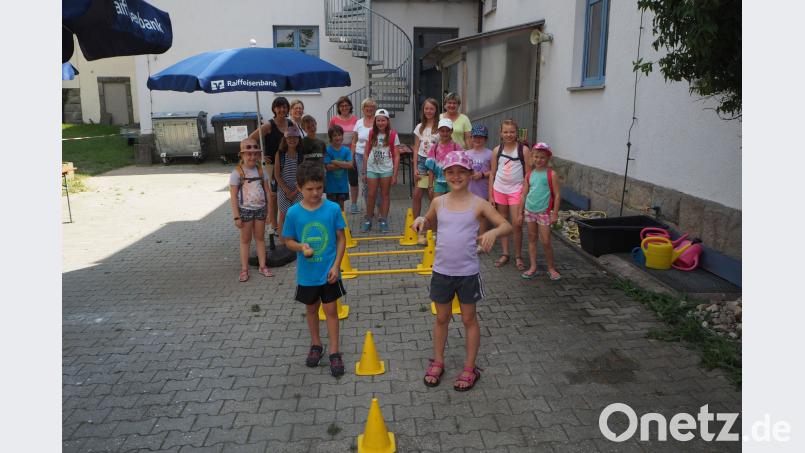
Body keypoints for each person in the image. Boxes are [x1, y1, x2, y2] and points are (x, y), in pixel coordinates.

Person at [412, 151, 512, 391]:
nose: (456, 176)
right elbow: (428, 221)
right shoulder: (439, 201)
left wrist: (492, 233)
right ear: (444, 175)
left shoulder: (479, 203)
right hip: (442, 271)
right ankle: (438, 361)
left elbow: (506, 225)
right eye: (450, 172)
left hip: (467, 273)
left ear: (469, 174)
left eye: (461, 172)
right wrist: (421, 222)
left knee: (469, 319)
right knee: (441, 318)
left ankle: (470, 367)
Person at [282, 160, 348, 377]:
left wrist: (336, 266)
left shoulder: (332, 209)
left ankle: (335, 352)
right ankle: (316, 345)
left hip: (329, 272)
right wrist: (301, 247)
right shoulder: (293, 213)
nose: (315, 192)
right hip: (307, 275)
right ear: (299, 188)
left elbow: (341, 239)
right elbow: (287, 240)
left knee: (331, 311)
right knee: (311, 310)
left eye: (319, 188)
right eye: (310, 189)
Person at [229, 138, 274, 282]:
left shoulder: (261, 171)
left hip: (260, 209)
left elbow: (268, 192)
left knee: (260, 238)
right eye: (248, 154)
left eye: (255, 154)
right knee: (245, 240)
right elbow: (234, 196)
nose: (252, 157)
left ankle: (262, 266)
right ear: (241, 155)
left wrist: (270, 213)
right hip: (245, 211)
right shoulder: (237, 173)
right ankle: (244, 269)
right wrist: (236, 216)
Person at [249, 96, 294, 232]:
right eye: (279, 107)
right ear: (274, 109)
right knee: (273, 196)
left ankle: (287, 224)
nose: (282, 109)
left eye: (284, 106)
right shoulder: (269, 125)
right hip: (272, 166)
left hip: (287, 164)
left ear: (287, 109)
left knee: (287, 193)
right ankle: (274, 227)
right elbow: (250, 139)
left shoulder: (291, 124)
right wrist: (260, 156)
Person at [519, 143, 562, 280]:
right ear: (532, 157)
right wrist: (520, 212)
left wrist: (554, 213)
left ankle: (551, 268)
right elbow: (524, 194)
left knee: (546, 241)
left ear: (548, 158)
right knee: (532, 239)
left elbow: (557, 195)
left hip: (543, 212)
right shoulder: (529, 174)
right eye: (536, 157)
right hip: (529, 211)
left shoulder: (551, 174)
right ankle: (533, 266)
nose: (538, 160)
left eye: (542, 157)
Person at [489, 119, 527, 270]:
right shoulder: (496, 150)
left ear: (516, 133)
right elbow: (492, 174)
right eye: (505, 132)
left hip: (516, 191)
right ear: (501, 133)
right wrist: (491, 195)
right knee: (503, 223)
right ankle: (505, 254)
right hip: (499, 190)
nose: (509, 134)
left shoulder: (523, 150)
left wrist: (525, 194)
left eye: (512, 132)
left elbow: (528, 175)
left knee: (517, 224)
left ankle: (518, 256)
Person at [361, 108, 400, 233]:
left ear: (387, 121)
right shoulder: (371, 133)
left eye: (383, 120)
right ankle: (368, 220)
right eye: (378, 120)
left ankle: (383, 220)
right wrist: (364, 171)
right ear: (375, 121)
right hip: (372, 168)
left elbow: (397, 155)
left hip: (386, 170)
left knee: (385, 195)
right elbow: (366, 153)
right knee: (371, 194)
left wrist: (395, 174)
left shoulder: (393, 134)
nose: (380, 123)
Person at [412, 98, 439, 242]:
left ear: (436, 110)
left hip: (434, 163)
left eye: (431, 109)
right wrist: (415, 167)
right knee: (417, 194)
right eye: (426, 109)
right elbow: (416, 148)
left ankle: (433, 228)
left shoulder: (441, 127)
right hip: (422, 162)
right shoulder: (419, 127)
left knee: (432, 195)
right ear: (423, 110)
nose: (429, 111)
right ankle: (417, 226)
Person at [328, 96, 360, 214]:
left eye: (346, 105)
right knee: (338, 176)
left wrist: (352, 154)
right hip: (337, 152)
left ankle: (354, 204)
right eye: (342, 106)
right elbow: (331, 136)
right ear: (339, 108)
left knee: (353, 179)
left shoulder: (356, 120)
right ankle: (337, 204)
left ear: (350, 106)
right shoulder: (334, 120)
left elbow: (357, 138)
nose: (344, 107)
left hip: (352, 152)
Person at [274, 125, 304, 242]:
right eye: (289, 138)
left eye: (295, 137)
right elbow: (277, 175)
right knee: (283, 215)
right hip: (283, 189)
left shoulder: (301, 155)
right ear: (285, 139)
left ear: (298, 139)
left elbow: (303, 175)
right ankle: (283, 241)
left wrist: (296, 191)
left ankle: (297, 239)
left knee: (297, 214)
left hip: (298, 189)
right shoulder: (280, 154)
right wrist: (287, 191)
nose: (292, 140)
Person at [351, 98, 381, 213]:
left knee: (377, 183)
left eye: (371, 107)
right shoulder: (358, 122)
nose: (369, 109)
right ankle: (370, 210)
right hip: (360, 156)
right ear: (363, 109)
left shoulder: (379, 121)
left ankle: (379, 209)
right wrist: (351, 157)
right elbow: (354, 141)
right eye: (366, 107)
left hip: (376, 156)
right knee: (365, 183)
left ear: (375, 109)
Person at [465, 123, 493, 241]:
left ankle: (481, 240)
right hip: (469, 190)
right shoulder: (466, 153)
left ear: (485, 139)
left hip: (483, 189)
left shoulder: (490, 153)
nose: (477, 139)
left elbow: (493, 171)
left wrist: (481, 174)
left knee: (482, 216)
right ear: (471, 138)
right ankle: (470, 238)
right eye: (475, 137)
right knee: (469, 215)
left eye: (481, 137)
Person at [425, 118, 463, 200]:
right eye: (442, 130)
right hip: (439, 182)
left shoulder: (456, 147)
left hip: (453, 182)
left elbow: (462, 168)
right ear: (438, 131)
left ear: (451, 131)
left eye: (447, 130)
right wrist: (430, 186)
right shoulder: (434, 148)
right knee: (437, 206)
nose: (445, 133)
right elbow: (431, 169)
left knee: (453, 207)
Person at [324, 125, 353, 210]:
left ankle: (341, 223)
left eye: (339, 135)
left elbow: (350, 165)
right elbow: (328, 167)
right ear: (330, 138)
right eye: (335, 135)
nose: (337, 137)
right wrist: (344, 164)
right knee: (332, 208)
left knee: (341, 208)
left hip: (342, 186)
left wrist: (334, 161)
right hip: (331, 187)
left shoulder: (346, 150)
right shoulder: (327, 150)